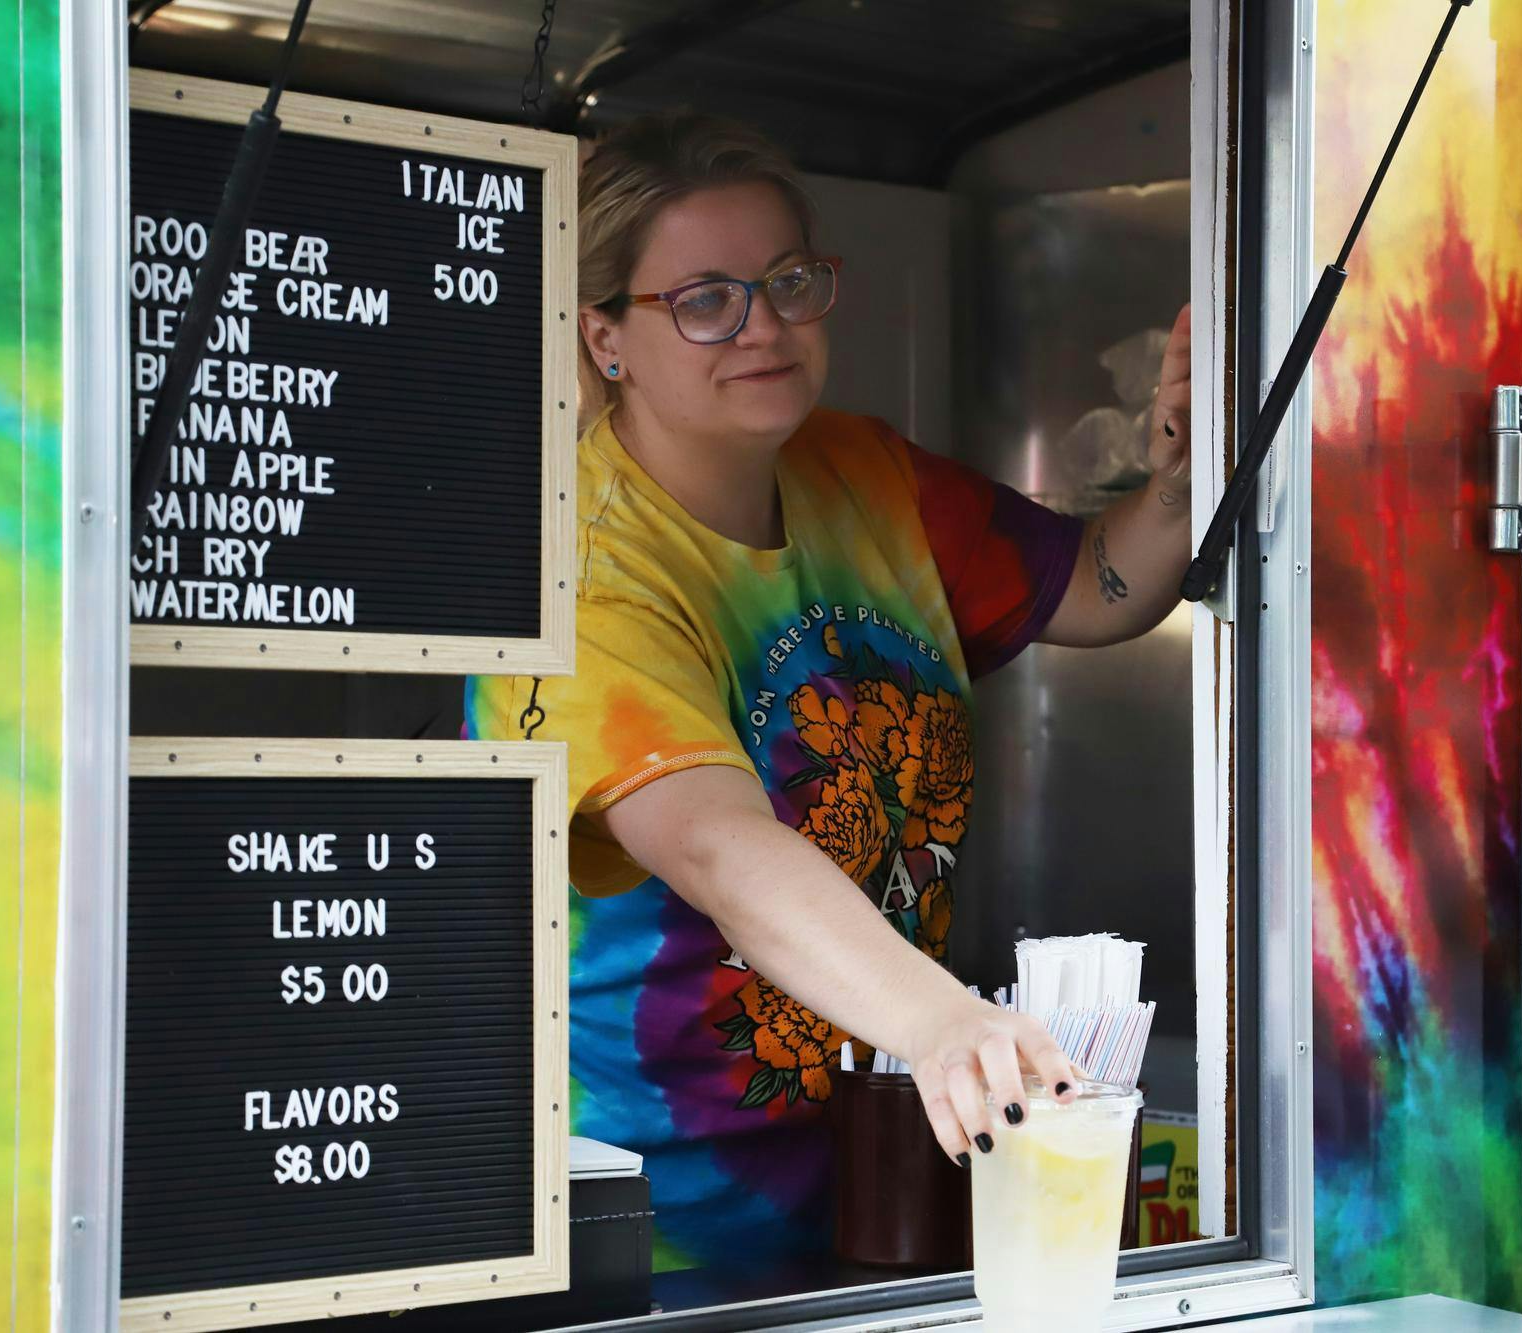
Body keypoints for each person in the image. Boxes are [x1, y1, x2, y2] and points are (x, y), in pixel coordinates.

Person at [467, 110, 1193, 1270]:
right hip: (665, 1235)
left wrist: (1179, 477)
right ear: (605, 336)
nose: (763, 328)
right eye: (705, 299)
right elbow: (716, 845)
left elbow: (1096, 589)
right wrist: (946, 1022)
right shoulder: (581, 575)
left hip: (892, 1172)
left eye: (788, 281)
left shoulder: (865, 472)